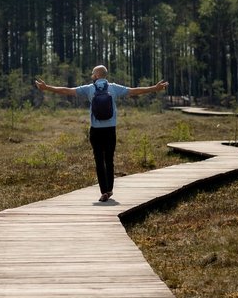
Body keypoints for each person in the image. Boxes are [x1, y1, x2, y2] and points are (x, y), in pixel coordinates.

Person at [35, 65, 169, 202]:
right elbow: (134, 91)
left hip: (96, 130)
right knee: (109, 160)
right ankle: (109, 189)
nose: (91, 75)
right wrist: (154, 88)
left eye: (93, 73)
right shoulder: (114, 88)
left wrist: (47, 88)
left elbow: (67, 91)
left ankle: (104, 191)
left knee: (99, 160)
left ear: (97, 75)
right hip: (110, 129)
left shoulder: (89, 88)